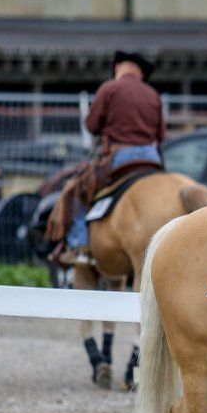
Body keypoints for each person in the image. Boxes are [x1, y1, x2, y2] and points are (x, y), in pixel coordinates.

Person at [56, 51, 165, 266]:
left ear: (117, 68)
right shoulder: (153, 94)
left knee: (77, 190)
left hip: (120, 156)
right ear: (140, 73)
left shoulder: (109, 88)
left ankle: (79, 246)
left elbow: (92, 125)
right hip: (151, 158)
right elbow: (160, 135)